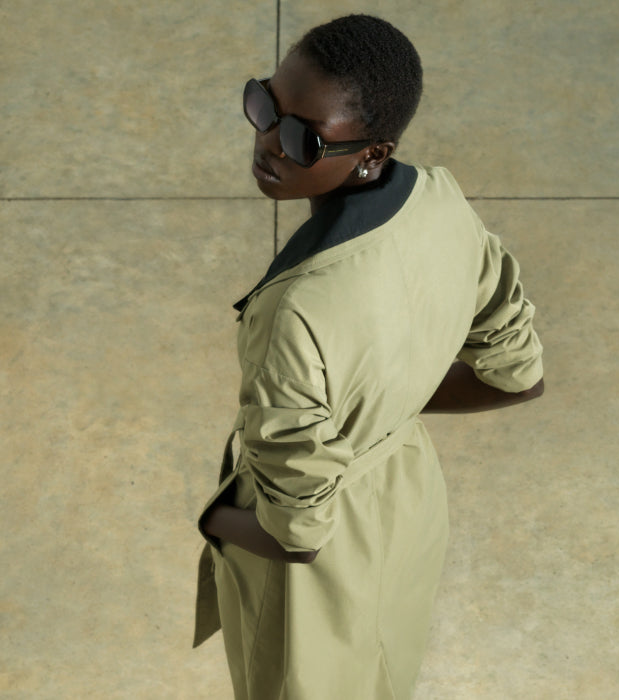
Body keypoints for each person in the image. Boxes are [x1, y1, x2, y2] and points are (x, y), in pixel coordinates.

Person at [191, 13, 544, 700]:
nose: (269, 144)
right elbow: (517, 378)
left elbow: (296, 531)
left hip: (314, 576)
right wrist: (387, 401)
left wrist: (214, 518)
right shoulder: (441, 201)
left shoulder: (293, 312)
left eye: (304, 138)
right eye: (264, 106)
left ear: (373, 153)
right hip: (408, 503)